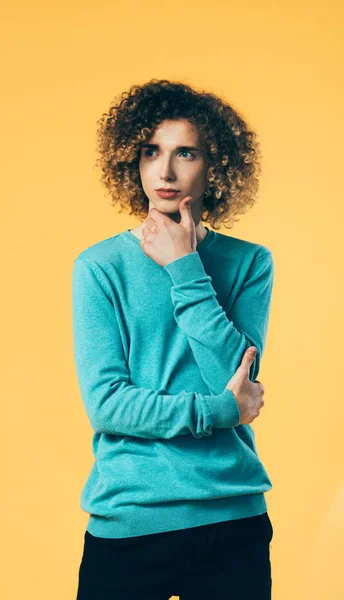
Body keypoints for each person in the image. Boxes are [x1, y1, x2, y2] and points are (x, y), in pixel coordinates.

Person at [72, 79, 274, 599]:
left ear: (217, 165)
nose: (164, 172)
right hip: (130, 522)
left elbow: (230, 374)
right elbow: (108, 406)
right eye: (150, 152)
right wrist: (219, 413)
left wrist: (186, 268)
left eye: (185, 152)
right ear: (131, 161)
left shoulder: (250, 262)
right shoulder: (99, 267)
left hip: (232, 522)